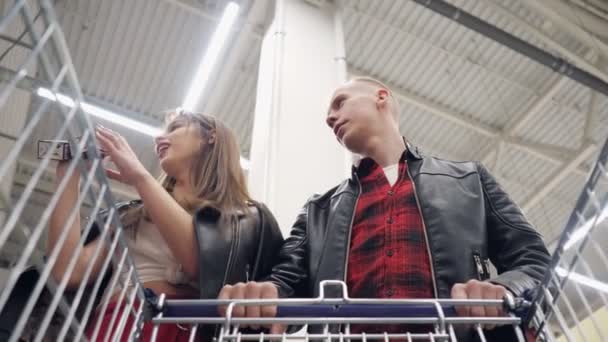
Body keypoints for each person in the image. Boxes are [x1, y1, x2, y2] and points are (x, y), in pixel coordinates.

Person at [218, 78, 551, 340]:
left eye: (339, 103)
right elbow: (287, 282)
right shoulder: (318, 210)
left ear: (381, 97)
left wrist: (502, 289)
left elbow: (533, 260)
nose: (329, 117)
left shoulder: (468, 179)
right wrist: (266, 293)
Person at [47, 110, 283, 341]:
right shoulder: (132, 214)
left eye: (176, 127)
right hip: (117, 325)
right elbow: (67, 271)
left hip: (192, 329)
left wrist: (140, 177)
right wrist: (68, 175)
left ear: (211, 136)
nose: (159, 138)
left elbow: (199, 262)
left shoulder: (245, 217)